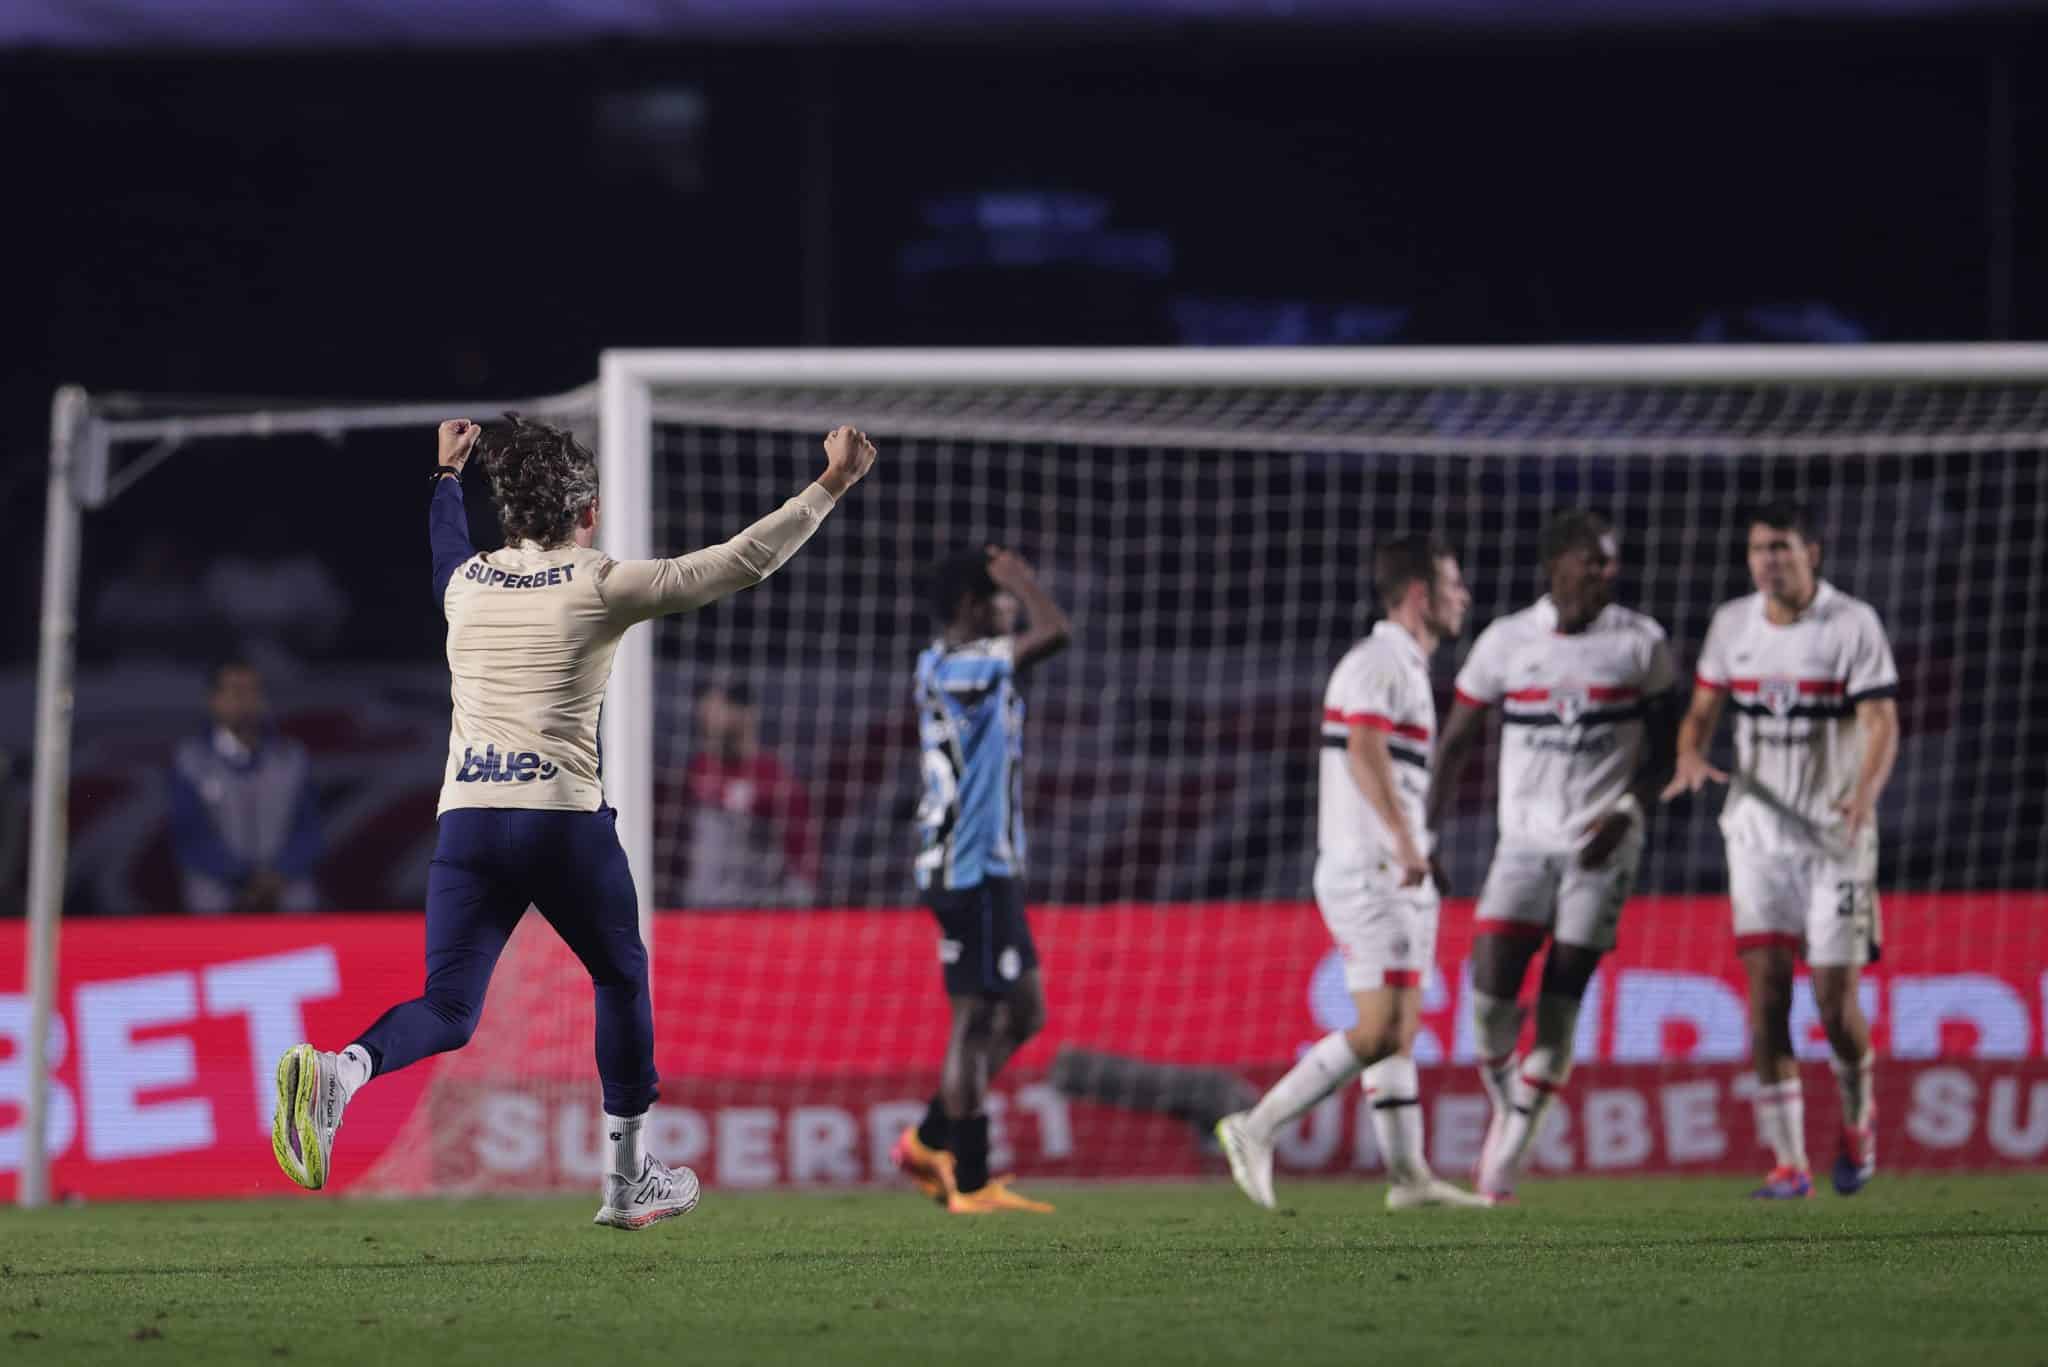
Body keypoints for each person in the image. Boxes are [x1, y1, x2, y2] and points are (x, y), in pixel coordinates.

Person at [269, 415, 876, 1230]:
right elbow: (740, 562)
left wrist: (445, 476)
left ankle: (340, 1072)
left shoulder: (465, 584)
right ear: (585, 512)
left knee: (449, 1008)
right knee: (619, 976)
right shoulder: (598, 581)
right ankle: (628, 1180)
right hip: (560, 823)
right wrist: (829, 485)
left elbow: (445, 540)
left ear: (509, 514)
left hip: (468, 826)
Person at [1216, 534, 1488, 1212]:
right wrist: (1404, 840)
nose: (1464, 595)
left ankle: (1409, 1176)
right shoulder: (1376, 663)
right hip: (1370, 868)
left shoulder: (1404, 666)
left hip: (1392, 866)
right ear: (1420, 595)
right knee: (1378, 1030)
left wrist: (1418, 843)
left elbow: (1387, 764)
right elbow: (1364, 750)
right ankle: (1256, 1126)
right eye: (1453, 583)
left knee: (1399, 1027)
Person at [1426, 510, 1678, 1203]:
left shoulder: (1640, 643)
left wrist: (1626, 810)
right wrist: (1426, 835)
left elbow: (1665, 755)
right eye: (1593, 561)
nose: (1605, 573)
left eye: (1610, 563)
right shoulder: (1507, 641)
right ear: (1557, 565)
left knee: (1562, 1001)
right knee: (1488, 1004)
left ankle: (1504, 1159)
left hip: (1602, 848)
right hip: (1523, 845)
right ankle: (1517, 1103)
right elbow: (1454, 742)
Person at [1664, 500, 1898, 1199]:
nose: (1769, 560)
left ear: (1812, 552)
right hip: (1758, 837)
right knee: (1766, 997)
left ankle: (1860, 1115)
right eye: (1759, 549)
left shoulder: (1851, 624)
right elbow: (1701, 712)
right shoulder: (1732, 625)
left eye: (1781, 547)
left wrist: (1864, 794)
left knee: (1833, 1003)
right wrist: (1688, 754)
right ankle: (1789, 1163)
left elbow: (1881, 720)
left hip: (1836, 839)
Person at [890, 545, 1071, 1215]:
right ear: (972, 605)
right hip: (963, 870)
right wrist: (1024, 576)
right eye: (998, 597)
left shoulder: (960, 666)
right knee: (977, 1018)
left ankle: (929, 1137)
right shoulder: (959, 667)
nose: (1010, 608)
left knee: (1025, 1011)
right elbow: (1056, 633)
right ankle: (969, 1181)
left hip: (994, 866)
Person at [168, 659, 323, 914]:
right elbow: (189, 834)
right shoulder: (191, 760)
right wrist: (243, 878)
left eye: (252, 691)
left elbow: (309, 827)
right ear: (213, 700)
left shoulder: (291, 757)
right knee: (206, 897)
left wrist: (278, 875)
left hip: (282, 881)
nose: (245, 701)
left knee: (302, 898)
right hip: (220, 883)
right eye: (235, 691)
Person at [679, 680, 818, 907]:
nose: (707, 719)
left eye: (718, 709)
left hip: (764, 901)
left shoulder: (775, 775)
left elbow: (802, 857)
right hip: (705, 904)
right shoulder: (697, 769)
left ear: (745, 714)